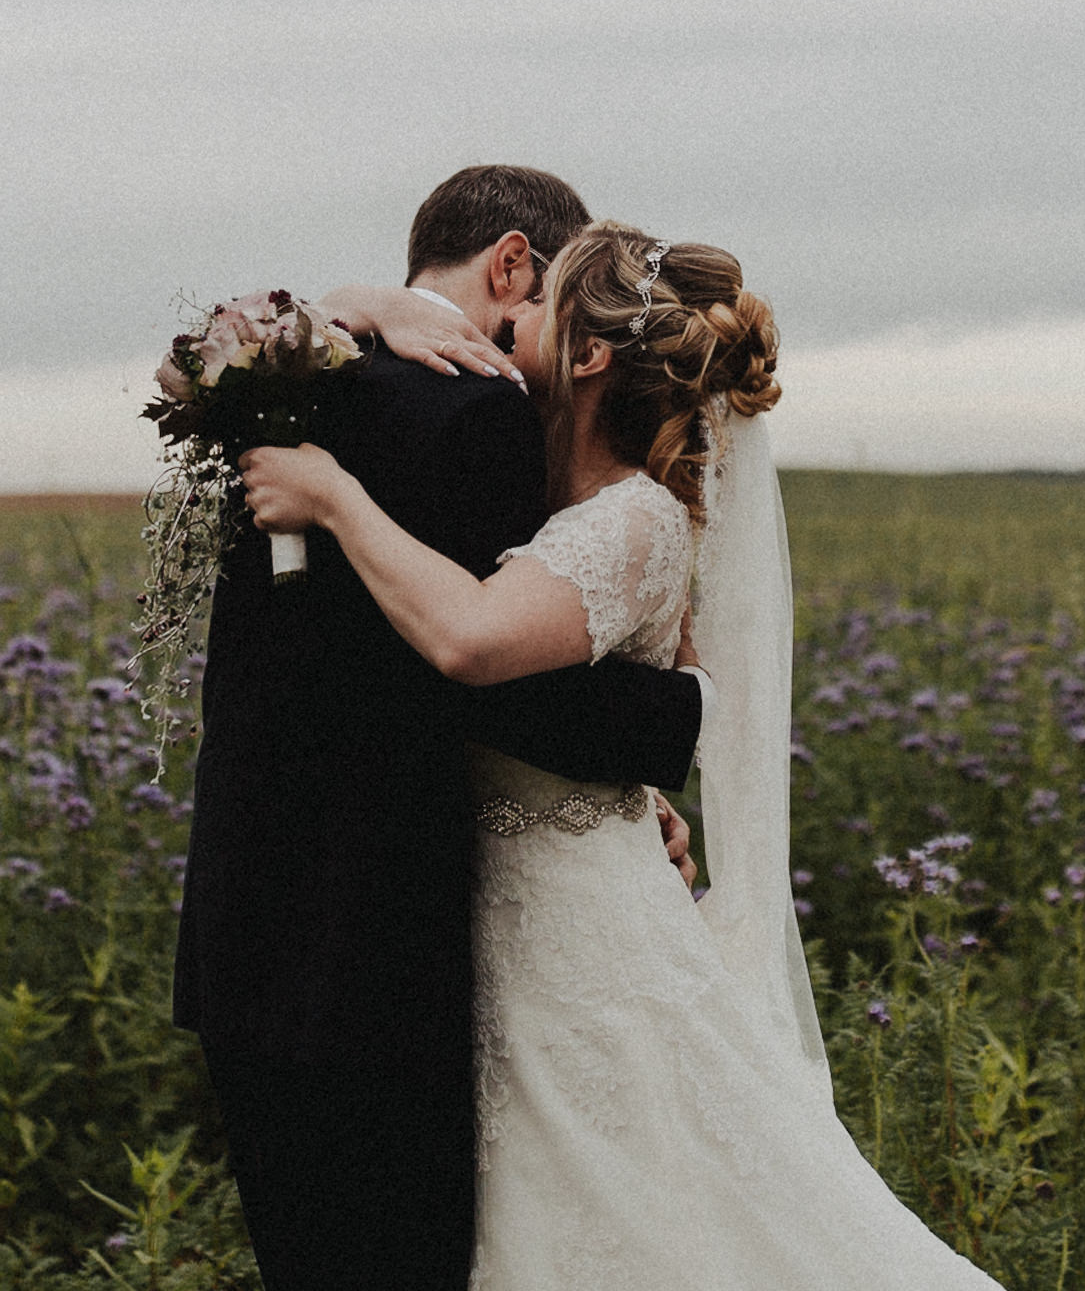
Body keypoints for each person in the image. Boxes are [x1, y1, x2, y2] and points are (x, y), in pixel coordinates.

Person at [242, 223, 1002, 1290]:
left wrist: (331, 497)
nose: (514, 318)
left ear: (591, 354)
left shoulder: (636, 519)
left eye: (543, 299)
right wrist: (365, 299)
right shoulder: (564, 497)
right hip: (521, 917)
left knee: (655, 1212)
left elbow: (468, 638)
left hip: (581, 933)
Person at [169, 167, 710, 1291]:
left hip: (246, 931)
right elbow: (491, 677)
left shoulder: (274, 387)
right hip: (375, 959)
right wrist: (686, 718)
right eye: (549, 296)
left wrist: (353, 302)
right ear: (510, 264)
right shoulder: (475, 415)